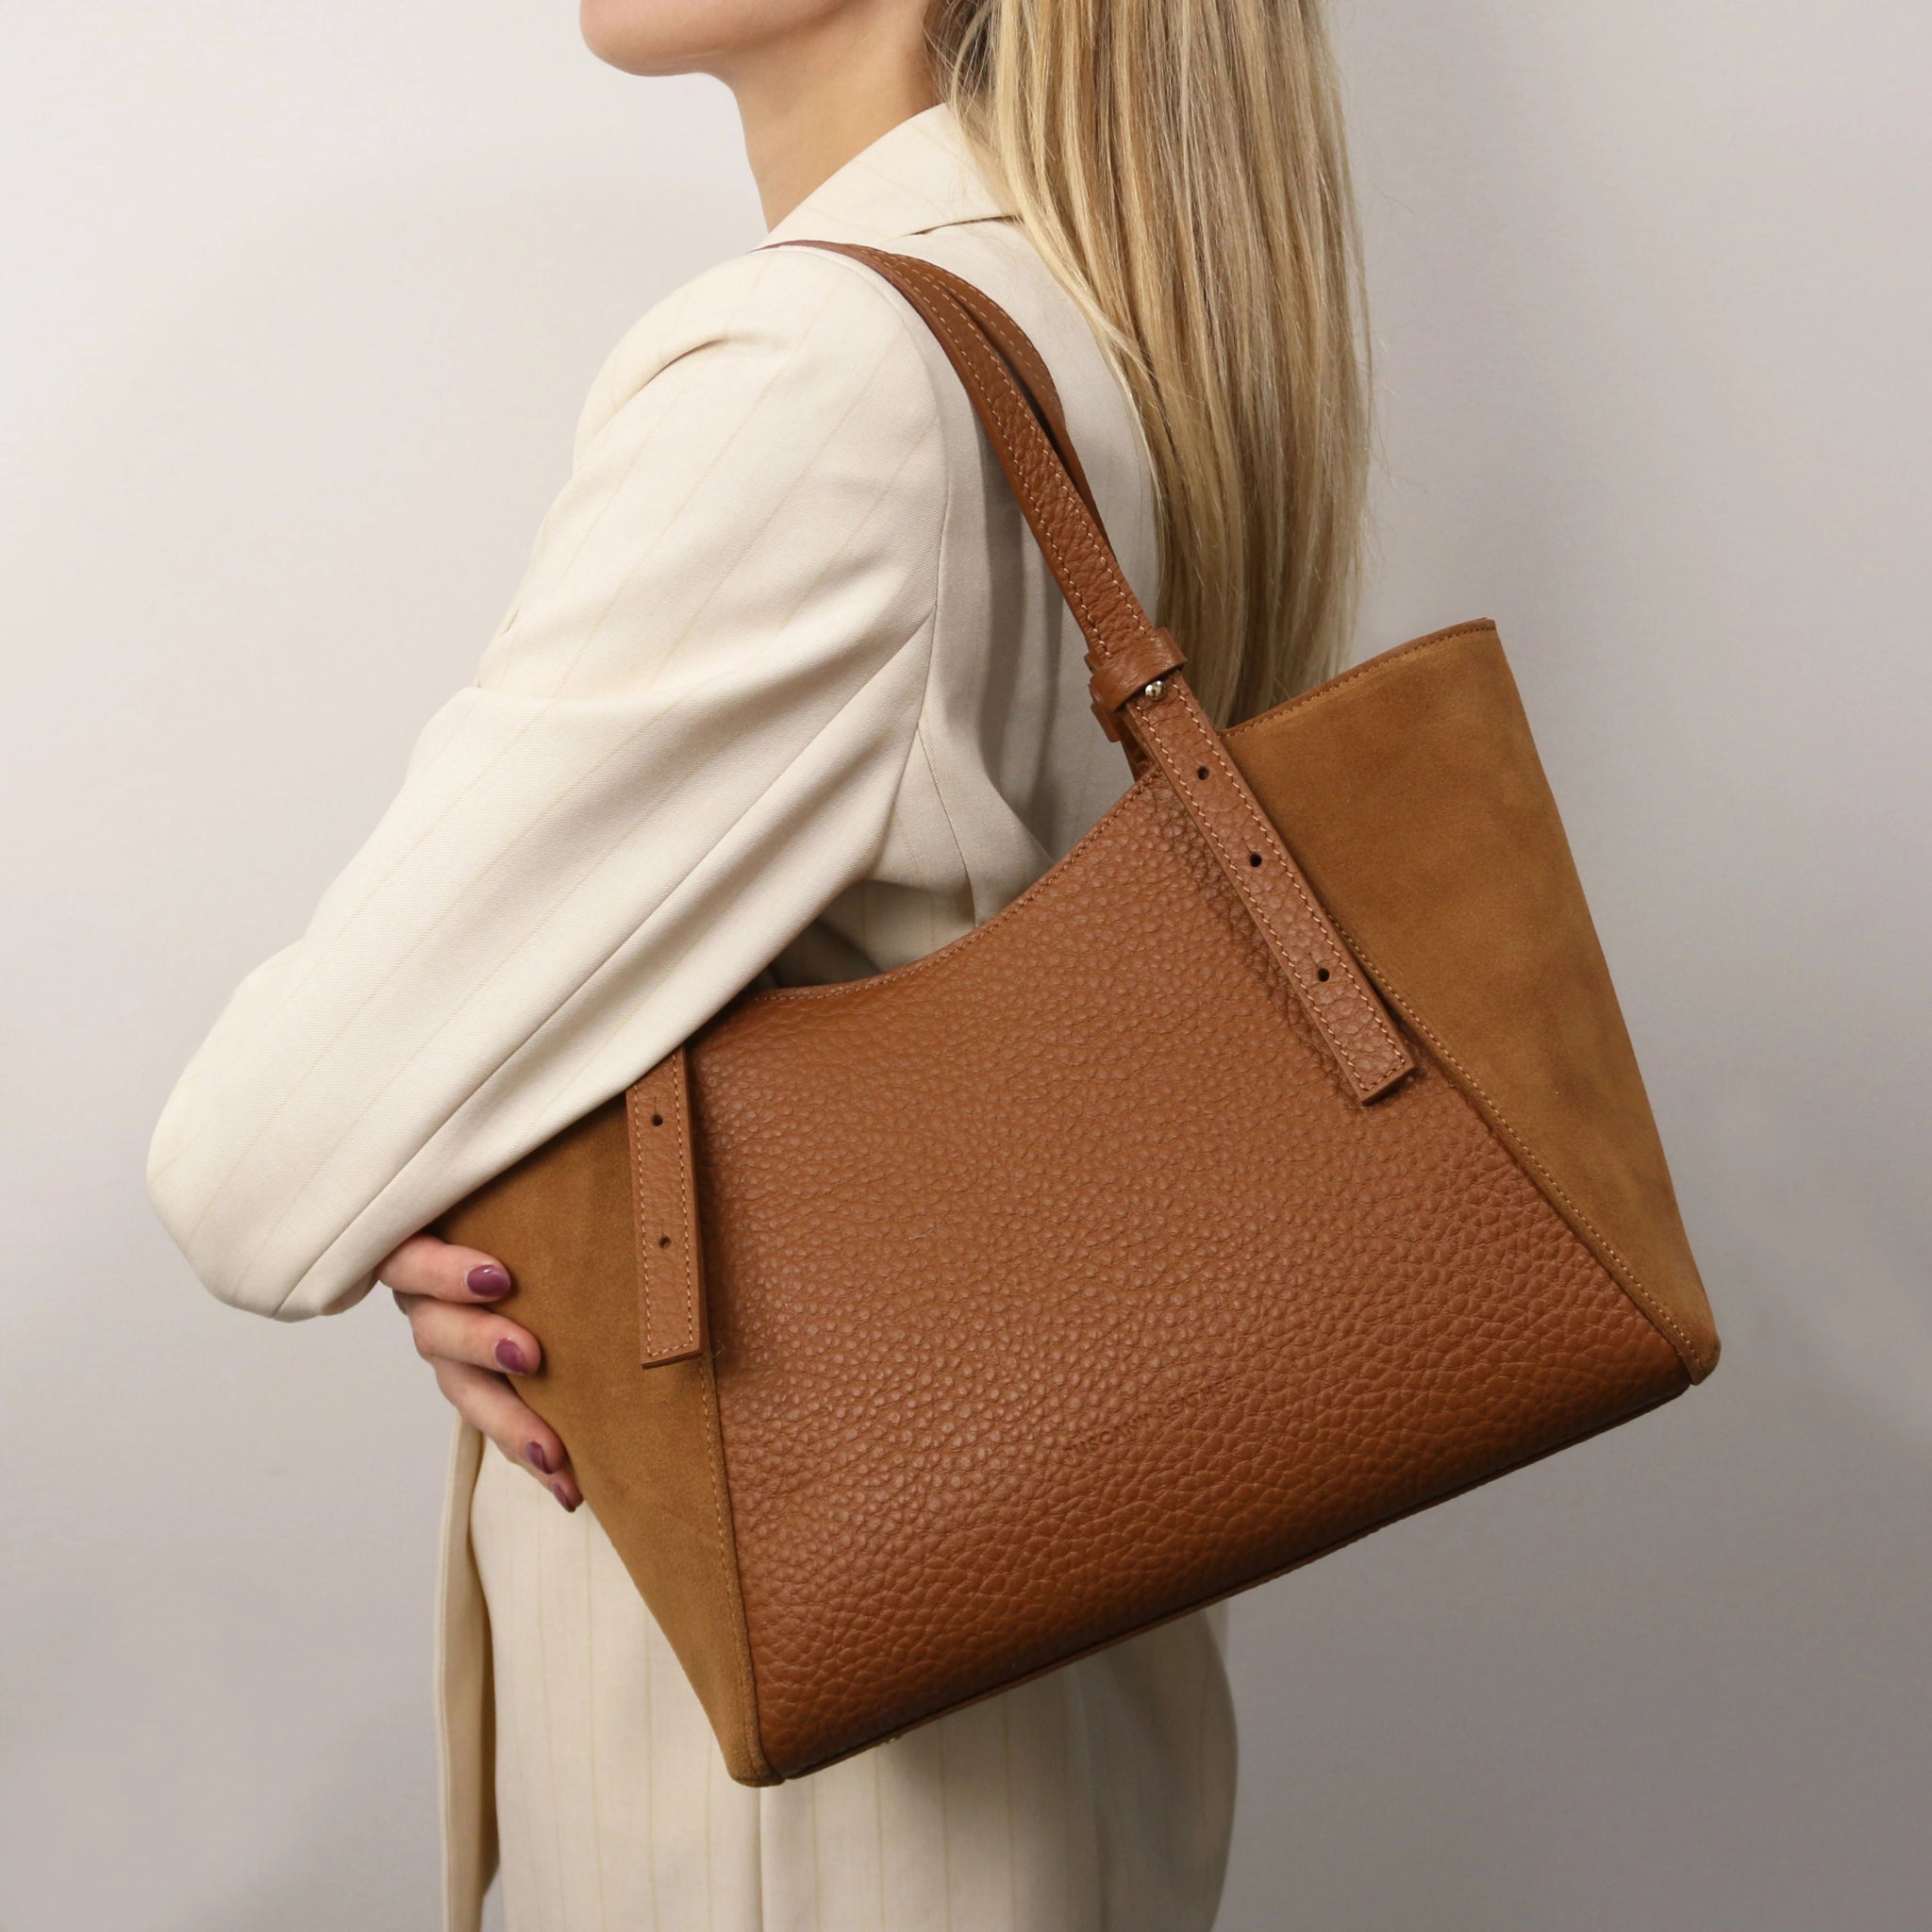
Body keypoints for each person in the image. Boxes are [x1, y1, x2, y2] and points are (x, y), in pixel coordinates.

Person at [149, 1, 1371, 1925]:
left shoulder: (826, 372)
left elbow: (256, 1163)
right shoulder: (1095, 326)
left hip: (800, 1818)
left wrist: (460, 1191)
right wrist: (512, 1199)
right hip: (1044, 1733)